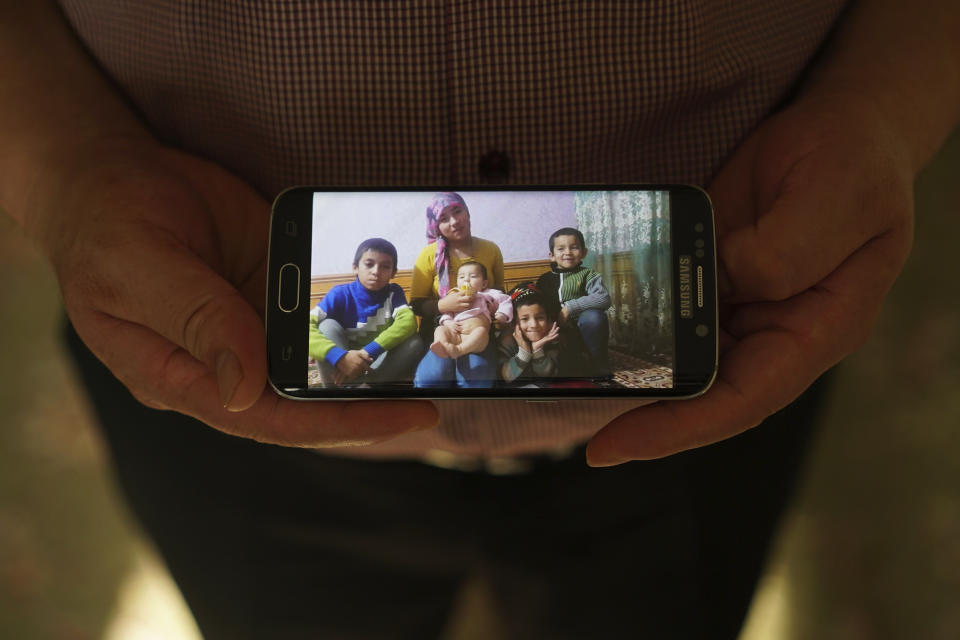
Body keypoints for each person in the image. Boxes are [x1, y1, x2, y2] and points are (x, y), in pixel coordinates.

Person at [3, 0, 958, 638]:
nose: (447, 224)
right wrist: (68, 161)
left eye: (453, 219)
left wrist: (878, 104)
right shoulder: (395, 278)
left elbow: (512, 304)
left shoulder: (503, 261)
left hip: (704, 392)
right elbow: (404, 326)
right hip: (238, 415)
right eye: (435, 224)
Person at [411, 192, 506, 388]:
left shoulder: (491, 250)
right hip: (442, 329)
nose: (454, 222)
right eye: (444, 219)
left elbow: (499, 293)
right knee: (429, 380)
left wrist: (495, 314)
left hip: (479, 329)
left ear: (467, 213)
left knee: (477, 380)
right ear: (436, 226)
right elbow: (415, 305)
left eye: (457, 211)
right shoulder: (428, 255)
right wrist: (443, 305)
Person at [308, 238, 424, 386]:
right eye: (369, 264)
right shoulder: (339, 294)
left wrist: (367, 352)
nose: (376, 272)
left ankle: (370, 384)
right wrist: (340, 357)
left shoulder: (394, 293)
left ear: (393, 272)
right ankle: (340, 388)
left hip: (376, 361)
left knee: (414, 342)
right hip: (342, 362)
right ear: (355, 267)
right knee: (326, 326)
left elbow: (408, 322)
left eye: (385, 266)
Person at [536, 227, 612, 376]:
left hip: (583, 327)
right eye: (561, 249)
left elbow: (603, 297)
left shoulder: (588, 275)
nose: (568, 253)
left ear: (584, 252)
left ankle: (599, 362)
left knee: (595, 317)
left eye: (574, 247)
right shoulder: (544, 280)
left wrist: (569, 308)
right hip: (555, 330)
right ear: (552, 255)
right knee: (567, 369)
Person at [431, 261, 512, 360]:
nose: (466, 279)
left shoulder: (488, 294)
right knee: (440, 329)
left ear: (484, 283)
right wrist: (447, 322)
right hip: (455, 333)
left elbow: (506, 300)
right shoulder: (454, 295)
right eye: (461, 277)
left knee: (481, 332)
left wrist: (503, 313)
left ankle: (459, 350)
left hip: (474, 336)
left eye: (473, 276)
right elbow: (447, 311)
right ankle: (443, 345)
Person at [498, 283, 562, 384]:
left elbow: (547, 376)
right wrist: (524, 351)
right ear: (514, 322)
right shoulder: (507, 340)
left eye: (540, 318)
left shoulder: (552, 336)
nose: (534, 325)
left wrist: (537, 350)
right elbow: (506, 377)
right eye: (525, 319)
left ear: (548, 319)